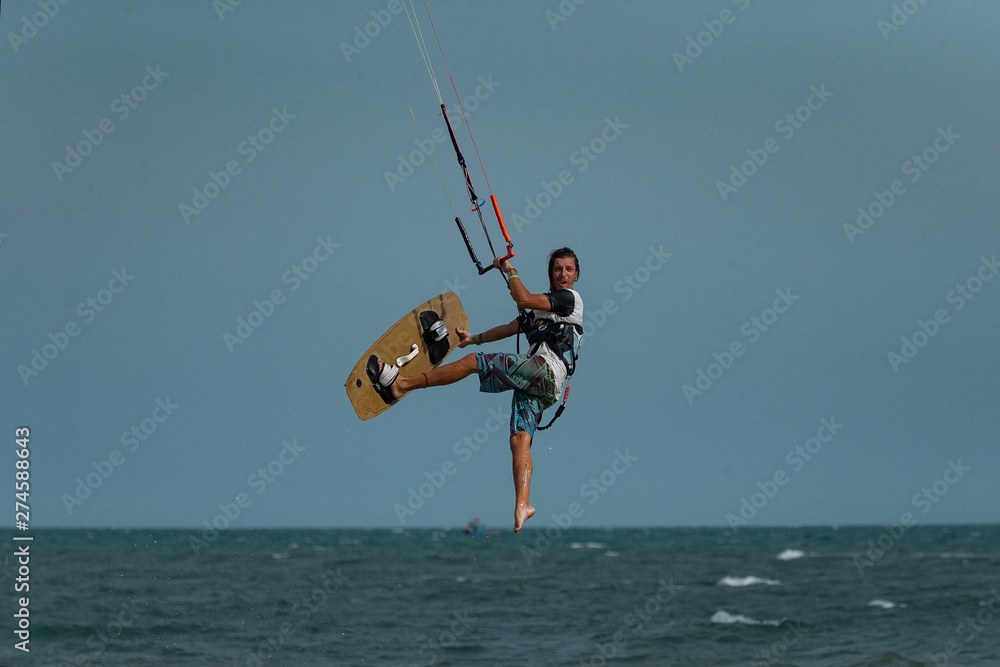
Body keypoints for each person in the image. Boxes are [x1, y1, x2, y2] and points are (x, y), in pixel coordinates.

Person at [367, 247, 583, 533]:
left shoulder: (570, 300)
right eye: (557, 269)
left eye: (568, 269)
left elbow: (522, 297)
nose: (563, 274)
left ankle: (402, 384)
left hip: (546, 370)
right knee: (519, 439)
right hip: (542, 386)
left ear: (576, 274)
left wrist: (509, 270)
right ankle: (523, 503)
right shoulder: (539, 313)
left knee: (472, 363)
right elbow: (509, 328)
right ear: (551, 273)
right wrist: (474, 338)